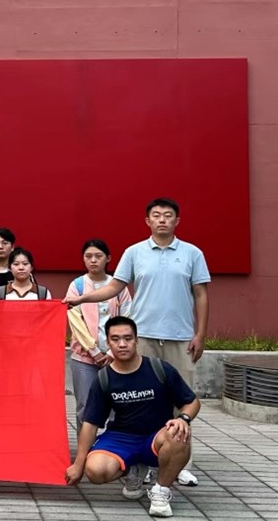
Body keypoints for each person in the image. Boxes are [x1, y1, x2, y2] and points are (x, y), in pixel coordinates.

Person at [63, 198, 210, 486]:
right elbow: (114, 287)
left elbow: (201, 294)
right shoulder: (134, 252)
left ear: (177, 221)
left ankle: (180, 464)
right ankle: (138, 463)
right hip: (142, 336)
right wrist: (81, 298)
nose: (162, 220)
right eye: (156, 215)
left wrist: (200, 334)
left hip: (180, 336)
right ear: (147, 221)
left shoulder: (193, 253)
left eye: (168, 215)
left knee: (180, 402)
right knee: (137, 401)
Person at [64, 316, 200, 518]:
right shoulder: (104, 378)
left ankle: (161, 491)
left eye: (128, 338)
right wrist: (78, 464)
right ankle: (133, 471)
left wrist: (183, 419)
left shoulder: (159, 369)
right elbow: (90, 424)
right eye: (115, 339)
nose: (122, 344)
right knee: (95, 471)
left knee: (178, 434)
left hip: (156, 437)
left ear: (136, 340)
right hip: (121, 438)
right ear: (108, 343)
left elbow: (192, 402)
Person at [65, 239, 133, 431]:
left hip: (116, 357)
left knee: (117, 405)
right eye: (88, 256)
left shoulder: (118, 286)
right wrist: (93, 351)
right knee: (85, 406)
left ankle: (113, 445)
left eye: (98, 256)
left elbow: (128, 316)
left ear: (108, 258)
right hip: (84, 357)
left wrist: (112, 351)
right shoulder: (77, 286)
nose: (93, 260)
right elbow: (75, 321)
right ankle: (85, 447)